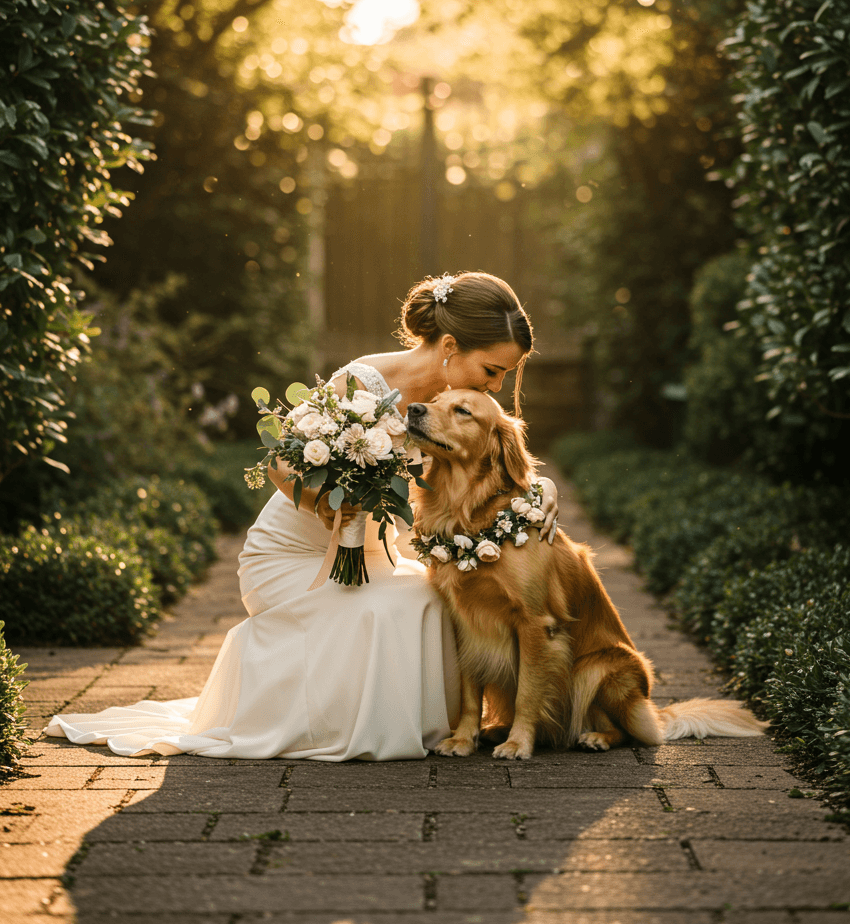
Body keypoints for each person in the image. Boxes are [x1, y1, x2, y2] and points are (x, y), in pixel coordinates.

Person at [46, 271, 560, 761]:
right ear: (450, 348)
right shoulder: (364, 379)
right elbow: (279, 463)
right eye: (492, 370)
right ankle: (349, 727)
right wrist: (333, 504)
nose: (494, 385)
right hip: (293, 554)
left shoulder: (457, 408)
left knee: (433, 599)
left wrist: (543, 485)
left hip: (371, 558)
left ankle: (417, 725)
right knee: (396, 609)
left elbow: (492, 464)